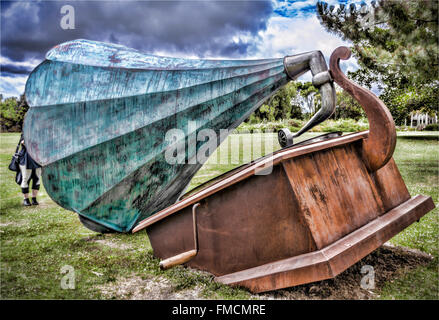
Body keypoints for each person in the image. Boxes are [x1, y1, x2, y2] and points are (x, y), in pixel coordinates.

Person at [18, 134, 42, 206]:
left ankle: (34, 199)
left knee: (37, 179)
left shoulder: (39, 134)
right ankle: (26, 199)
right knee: (26, 178)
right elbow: (24, 143)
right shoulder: (25, 133)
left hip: (37, 158)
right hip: (26, 159)